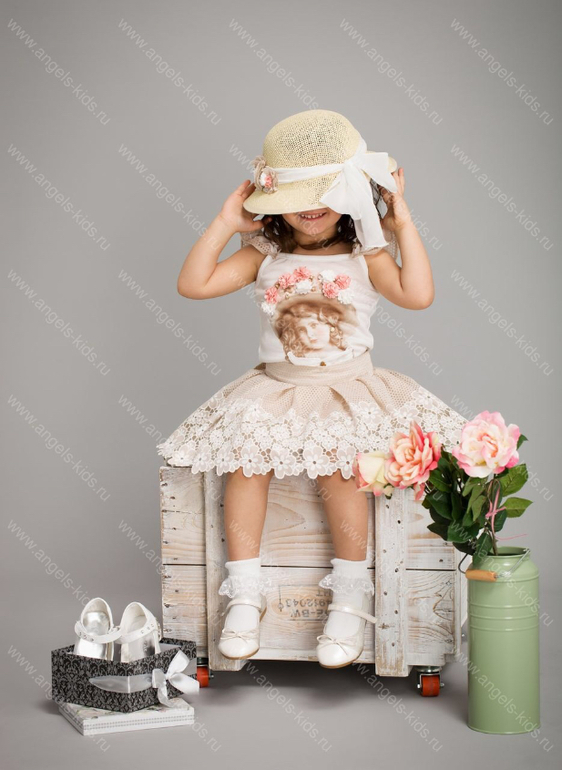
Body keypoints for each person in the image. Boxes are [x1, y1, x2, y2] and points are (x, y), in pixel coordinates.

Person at [157, 109, 466, 668]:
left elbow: (418, 295)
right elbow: (193, 284)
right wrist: (226, 221)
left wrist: (401, 223)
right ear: (272, 199)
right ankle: (245, 595)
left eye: (325, 192)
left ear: (352, 194)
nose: (311, 206)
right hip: (278, 387)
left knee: (340, 468)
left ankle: (350, 598)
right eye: (296, 195)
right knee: (244, 464)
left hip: (346, 387)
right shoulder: (265, 254)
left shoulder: (366, 254)